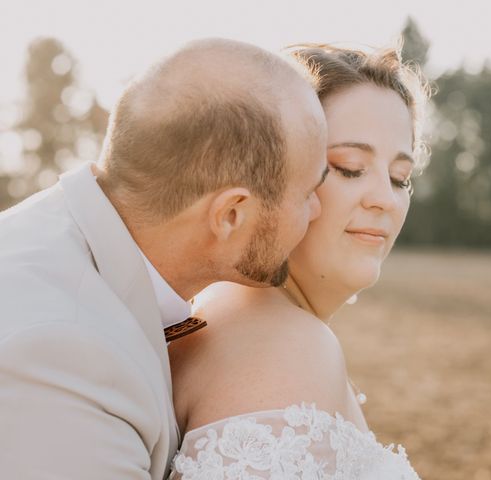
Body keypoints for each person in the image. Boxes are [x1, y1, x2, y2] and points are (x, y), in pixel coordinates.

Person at [0, 38, 328, 479]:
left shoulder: (52, 235)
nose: (317, 211)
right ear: (230, 214)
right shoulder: (63, 356)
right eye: (307, 193)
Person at [168, 44, 427, 479]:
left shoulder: (241, 319)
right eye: (348, 167)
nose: (386, 198)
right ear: (269, 176)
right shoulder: (283, 346)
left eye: (400, 177)